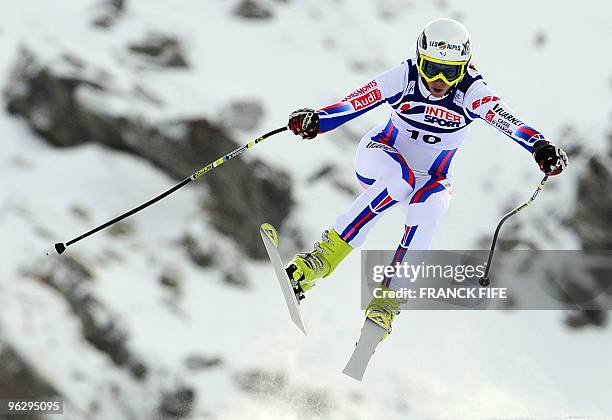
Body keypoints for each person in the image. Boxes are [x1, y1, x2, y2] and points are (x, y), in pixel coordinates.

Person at [285, 18, 568, 337]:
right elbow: (351, 105)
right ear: (420, 59)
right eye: (431, 68)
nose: (438, 80)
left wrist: (540, 146)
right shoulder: (403, 77)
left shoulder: (471, 91)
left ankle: (388, 302)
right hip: (380, 157)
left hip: (431, 178)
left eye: (450, 72)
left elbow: (508, 121)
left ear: (464, 68)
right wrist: (315, 121)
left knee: (432, 207)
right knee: (399, 178)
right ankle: (317, 262)